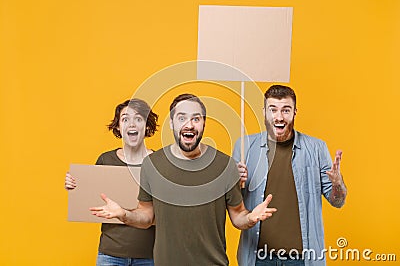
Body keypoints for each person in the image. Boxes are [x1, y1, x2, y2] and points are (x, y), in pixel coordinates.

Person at [90, 93, 278, 266]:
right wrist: (123, 214)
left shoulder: (225, 165)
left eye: (195, 118)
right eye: (181, 118)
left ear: (203, 124)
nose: (189, 125)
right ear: (171, 123)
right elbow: (146, 217)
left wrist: (252, 218)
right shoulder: (152, 165)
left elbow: (238, 216)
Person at [233, 85, 347, 266]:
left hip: (302, 259)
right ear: (264, 112)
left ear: (295, 112)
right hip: (258, 259)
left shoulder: (317, 148)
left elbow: (338, 201)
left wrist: (338, 184)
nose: (279, 117)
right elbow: (234, 207)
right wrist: (236, 184)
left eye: (286, 110)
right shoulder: (245, 146)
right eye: (273, 110)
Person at [65, 99, 158, 266]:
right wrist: (75, 186)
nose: (132, 124)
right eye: (125, 119)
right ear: (118, 128)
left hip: (149, 256)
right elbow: (90, 198)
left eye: (138, 118)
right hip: (110, 254)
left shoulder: (159, 162)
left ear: (147, 126)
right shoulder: (105, 159)